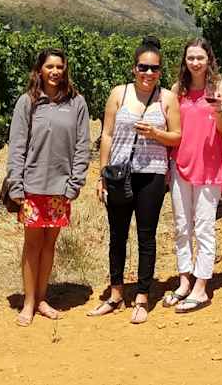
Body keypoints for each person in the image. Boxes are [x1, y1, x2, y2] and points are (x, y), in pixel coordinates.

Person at [89, 37, 181, 324]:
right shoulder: (120, 93)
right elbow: (107, 135)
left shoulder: (167, 98)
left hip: (152, 174)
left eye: (154, 68)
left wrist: (155, 134)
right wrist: (102, 174)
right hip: (119, 173)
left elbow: (177, 137)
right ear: (134, 68)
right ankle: (115, 294)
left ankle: (142, 296)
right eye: (144, 67)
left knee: (146, 236)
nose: (149, 73)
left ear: (160, 71)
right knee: (117, 235)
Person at [4, 48, 91, 327]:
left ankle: (42, 299)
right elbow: (17, 145)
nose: (55, 72)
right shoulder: (27, 102)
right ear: (39, 70)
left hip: (60, 188)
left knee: (49, 245)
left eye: (59, 67)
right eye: (49, 66)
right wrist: (16, 184)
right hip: (31, 186)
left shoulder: (77, 103)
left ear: (65, 70)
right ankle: (29, 302)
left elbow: (82, 146)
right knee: (32, 245)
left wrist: (75, 182)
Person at [164, 38, 222, 313]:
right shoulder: (177, 90)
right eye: (190, 57)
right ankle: (184, 281)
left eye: (200, 57)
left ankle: (201, 287)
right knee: (182, 226)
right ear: (185, 60)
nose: (195, 62)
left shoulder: (221, 87)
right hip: (180, 163)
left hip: (209, 166)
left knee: (204, 227)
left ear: (209, 59)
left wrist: (218, 111)